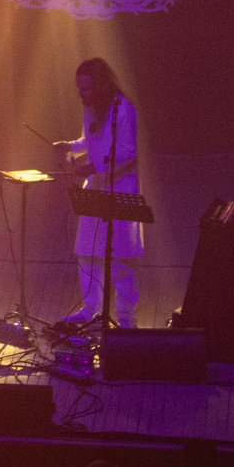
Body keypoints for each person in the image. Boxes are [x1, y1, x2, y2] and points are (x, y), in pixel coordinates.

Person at [64, 57, 145, 326]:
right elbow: (90, 140)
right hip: (96, 186)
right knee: (86, 251)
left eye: (86, 88)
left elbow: (127, 153)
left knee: (120, 257)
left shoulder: (123, 110)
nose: (81, 94)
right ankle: (90, 309)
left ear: (99, 86)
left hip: (120, 185)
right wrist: (70, 146)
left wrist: (92, 168)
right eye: (79, 88)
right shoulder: (90, 109)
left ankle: (125, 317)